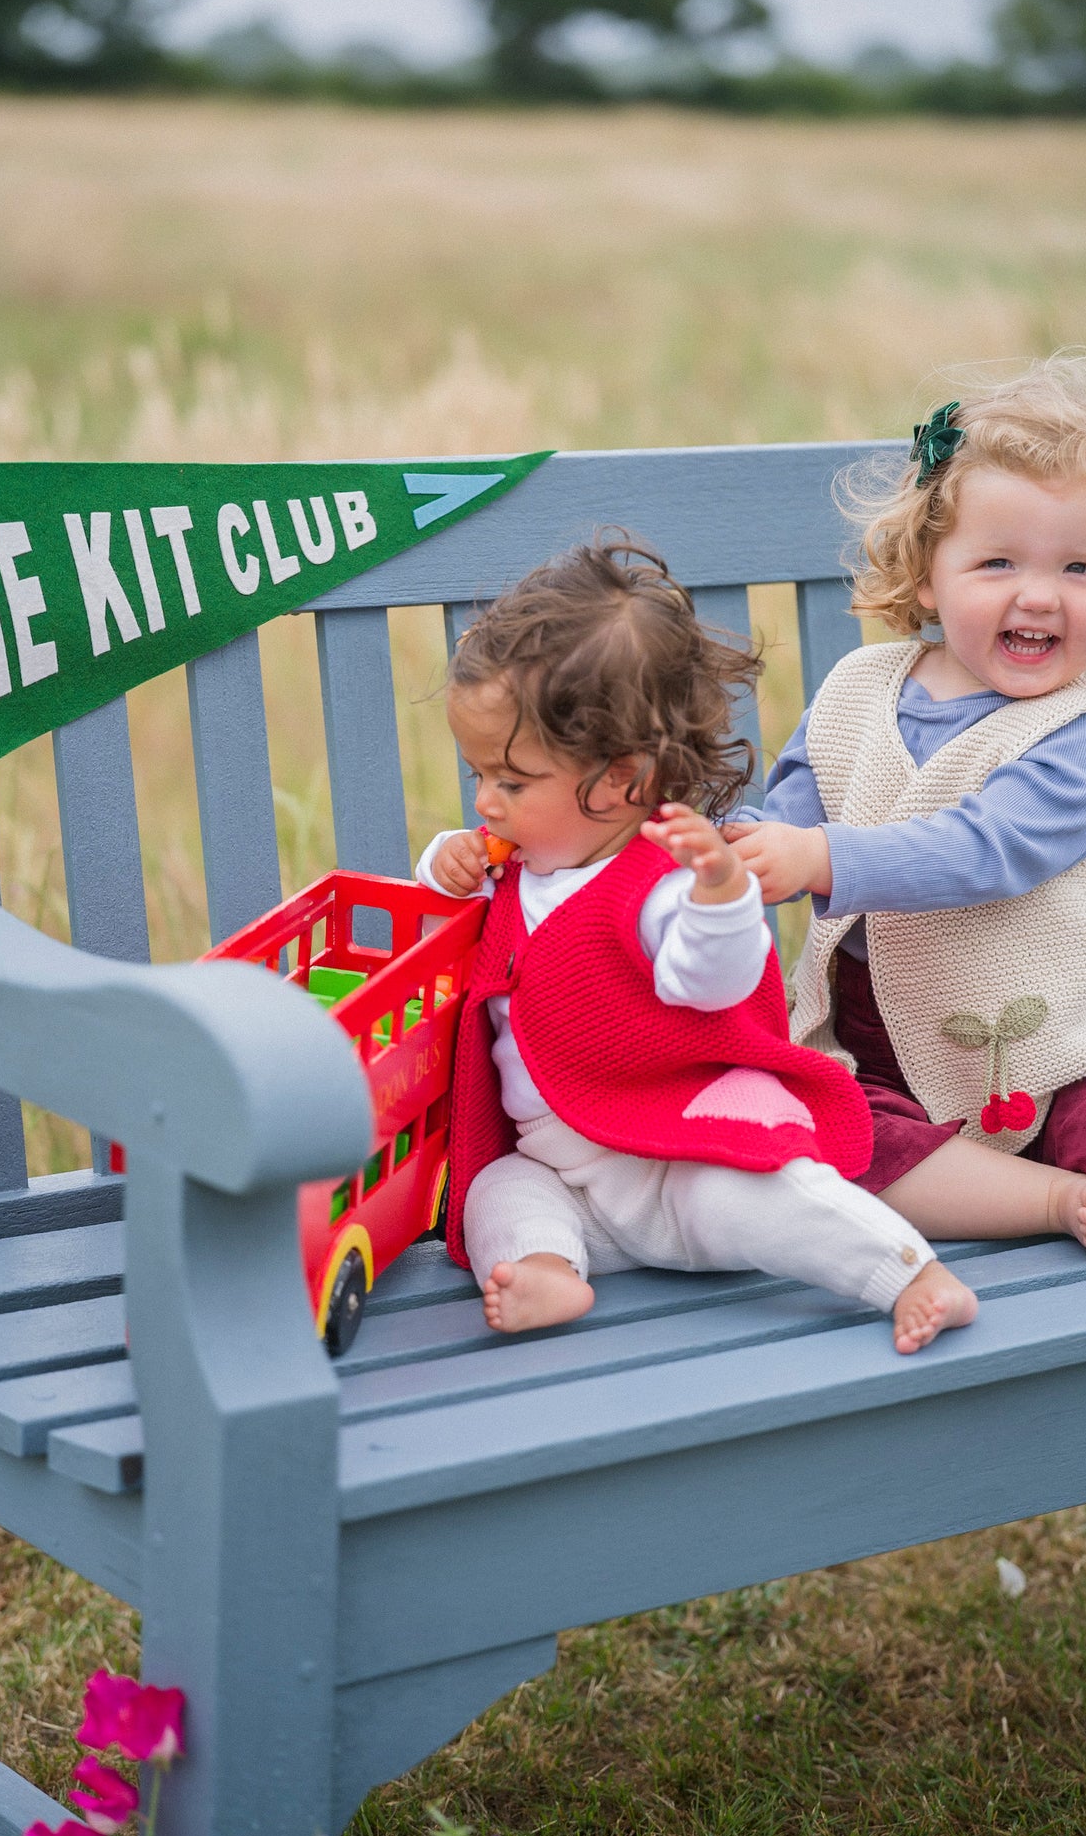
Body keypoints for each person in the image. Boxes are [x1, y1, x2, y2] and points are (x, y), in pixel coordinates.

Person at [726, 354, 1086, 1260]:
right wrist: (740, 855)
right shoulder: (855, 689)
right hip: (876, 1065)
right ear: (927, 574)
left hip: (1058, 1058)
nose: (1036, 594)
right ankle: (1051, 1198)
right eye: (996, 561)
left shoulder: (1081, 739)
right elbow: (793, 809)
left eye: (1079, 567)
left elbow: (980, 852)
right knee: (832, 1140)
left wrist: (819, 859)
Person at [418, 531, 978, 1352]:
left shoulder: (661, 882)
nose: (486, 801)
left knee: (771, 1198)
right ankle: (548, 1266)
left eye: (511, 780)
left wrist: (721, 894)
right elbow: (446, 935)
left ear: (624, 780)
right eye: (477, 776)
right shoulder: (521, 868)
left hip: (678, 1162)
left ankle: (907, 1272)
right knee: (496, 1188)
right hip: (568, 1180)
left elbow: (710, 984)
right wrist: (444, 867)